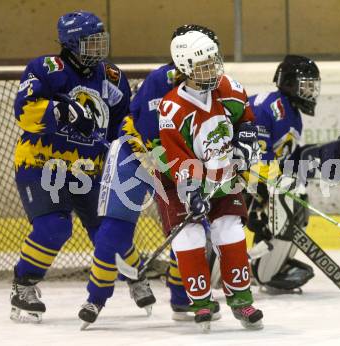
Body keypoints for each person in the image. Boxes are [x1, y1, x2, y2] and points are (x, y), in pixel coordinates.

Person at [88, 24, 222, 323]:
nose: (211, 61)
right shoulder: (162, 81)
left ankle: (183, 298)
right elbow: (151, 134)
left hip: (181, 162)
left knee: (189, 229)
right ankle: (95, 299)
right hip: (137, 155)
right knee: (113, 230)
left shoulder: (217, 84)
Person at [10, 11, 131, 323]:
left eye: (100, 41)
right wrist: (63, 110)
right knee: (55, 227)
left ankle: (136, 276)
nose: (98, 48)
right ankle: (23, 284)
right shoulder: (46, 68)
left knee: (108, 230)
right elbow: (24, 112)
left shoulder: (112, 77)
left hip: (88, 170)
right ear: (71, 43)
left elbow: (122, 122)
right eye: (91, 43)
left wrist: (127, 148)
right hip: (41, 163)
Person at [157, 30, 263, 331]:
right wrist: (193, 192)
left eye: (214, 62)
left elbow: (246, 119)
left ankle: (242, 301)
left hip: (221, 172)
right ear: (185, 68)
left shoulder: (228, 88)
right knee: (188, 235)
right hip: (175, 181)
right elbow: (176, 158)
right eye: (203, 65)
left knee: (229, 229)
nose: (212, 69)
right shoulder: (172, 109)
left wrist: (245, 144)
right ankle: (202, 304)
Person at [242, 55, 340, 293]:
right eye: (306, 85)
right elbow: (253, 156)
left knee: (296, 200)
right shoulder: (267, 108)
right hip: (233, 180)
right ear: (288, 83)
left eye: (313, 86)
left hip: (255, 179)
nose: (311, 92)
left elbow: (283, 158)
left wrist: (315, 156)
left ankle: (267, 266)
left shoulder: (291, 113)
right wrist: (263, 192)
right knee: (289, 197)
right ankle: (247, 267)